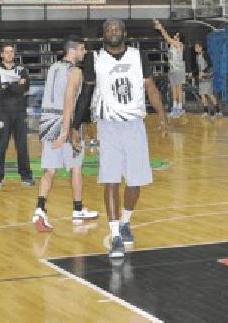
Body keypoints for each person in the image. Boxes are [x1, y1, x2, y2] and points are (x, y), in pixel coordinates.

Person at [91, 18, 170, 259]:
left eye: (116, 28)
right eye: (108, 29)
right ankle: (115, 235)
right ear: (103, 34)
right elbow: (85, 92)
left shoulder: (138, 56)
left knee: (135, 181)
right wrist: (79, 126)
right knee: (111, 180)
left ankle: (126, 221)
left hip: (135, 124)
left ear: (124, 32)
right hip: (108, 125)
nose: (113, 32)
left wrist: (162, 115)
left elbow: (151, 88)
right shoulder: (94, 59)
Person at [32, 36, 100, 232]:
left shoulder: (53, 67)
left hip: (47, 120)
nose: (84, 52)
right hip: (64, 121)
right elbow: (69, 98)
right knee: (76, 167)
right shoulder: (76, 71)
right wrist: (66, 130)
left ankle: (40, 208)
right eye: (82, 49)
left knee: (50, 170)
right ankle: (77, 209)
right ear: (73, 51)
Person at [0, 43, 35, 189]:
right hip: (3, 113)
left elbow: (25, 87)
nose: (9, 54)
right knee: (1, 147)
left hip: (20, 113)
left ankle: (26, 176)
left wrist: (8, 85)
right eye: (6, 52)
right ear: (2, 54)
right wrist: (15, 85)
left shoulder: (22, 70)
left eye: (11, 52)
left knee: (22, 147)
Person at [152, 18, 187, 118]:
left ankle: (180, 108)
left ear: (179, 37)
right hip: (172, 69)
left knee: (178, 88)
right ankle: (175, 108)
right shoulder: (172, 46)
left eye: (176, 35)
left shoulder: (179, 45)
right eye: (175, 34)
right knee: (173, 89)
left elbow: (167, 38)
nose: (175, 35)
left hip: (179, 69)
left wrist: (161, 28)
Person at [192, 41, 222, 117]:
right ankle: (205, 111)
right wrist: (192, 73)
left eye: (197, 47)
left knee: (210, 94)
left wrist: (203, 72)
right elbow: (197, 68)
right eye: (195, 47)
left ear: (201, 47)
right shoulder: (197, 56)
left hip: (208, 77)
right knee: (202, 94)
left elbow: (210, 66)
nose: (195, 48)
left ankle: (218, 111)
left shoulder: (205, 54)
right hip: (202, 78)